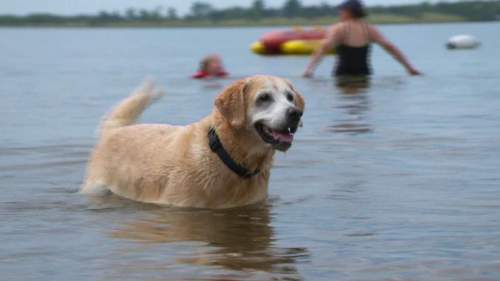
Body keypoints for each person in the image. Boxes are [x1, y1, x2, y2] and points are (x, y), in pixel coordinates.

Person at [303, 0, 420, 81]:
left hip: (343, 75)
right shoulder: (369, 29)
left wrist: (309, 70)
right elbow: (390, 47)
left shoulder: (339, 28)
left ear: (348, 11)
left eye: (341, 10)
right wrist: (409, 68)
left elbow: (323, 48)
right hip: (364, 74)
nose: (340, 13)